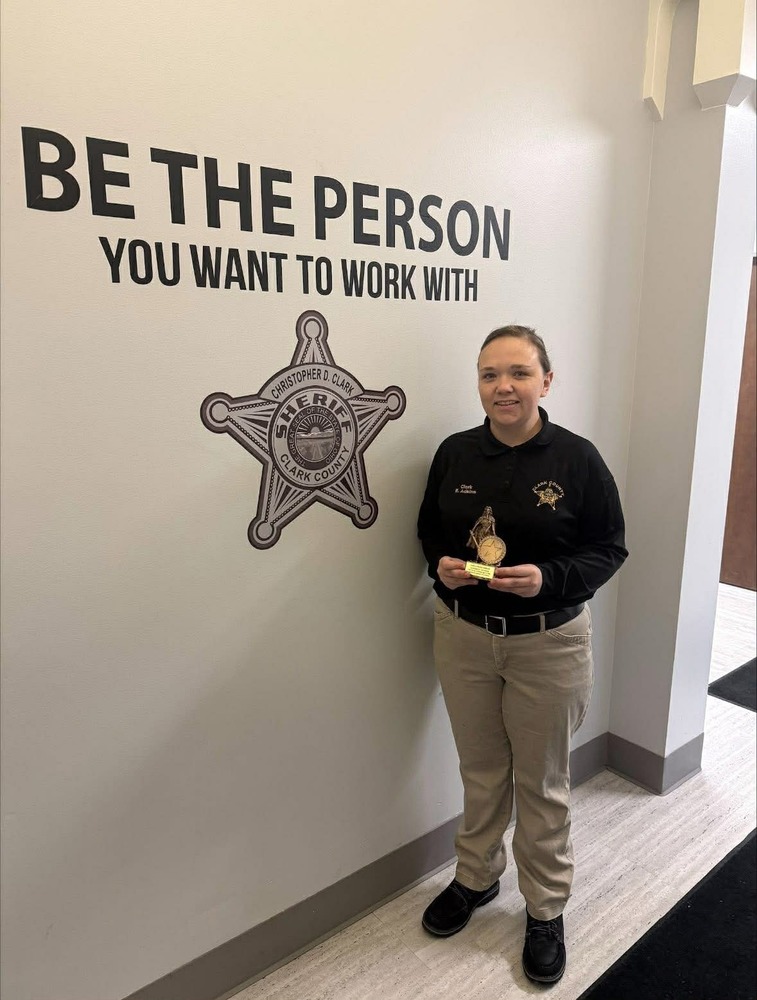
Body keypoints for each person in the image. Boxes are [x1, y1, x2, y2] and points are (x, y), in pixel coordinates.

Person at [417, 325, 627, 985]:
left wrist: (549, 579)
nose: (502, 387)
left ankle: (544, 908)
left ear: (545, 380)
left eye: (516, 372)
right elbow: (428, 530)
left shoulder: (577, 460)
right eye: (488, 375)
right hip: (465, 638)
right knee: (481, 770)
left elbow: (608, 547)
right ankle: (476, 878)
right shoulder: (454, 453)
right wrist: (442, 569)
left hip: (548, 642)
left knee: (541, 783)